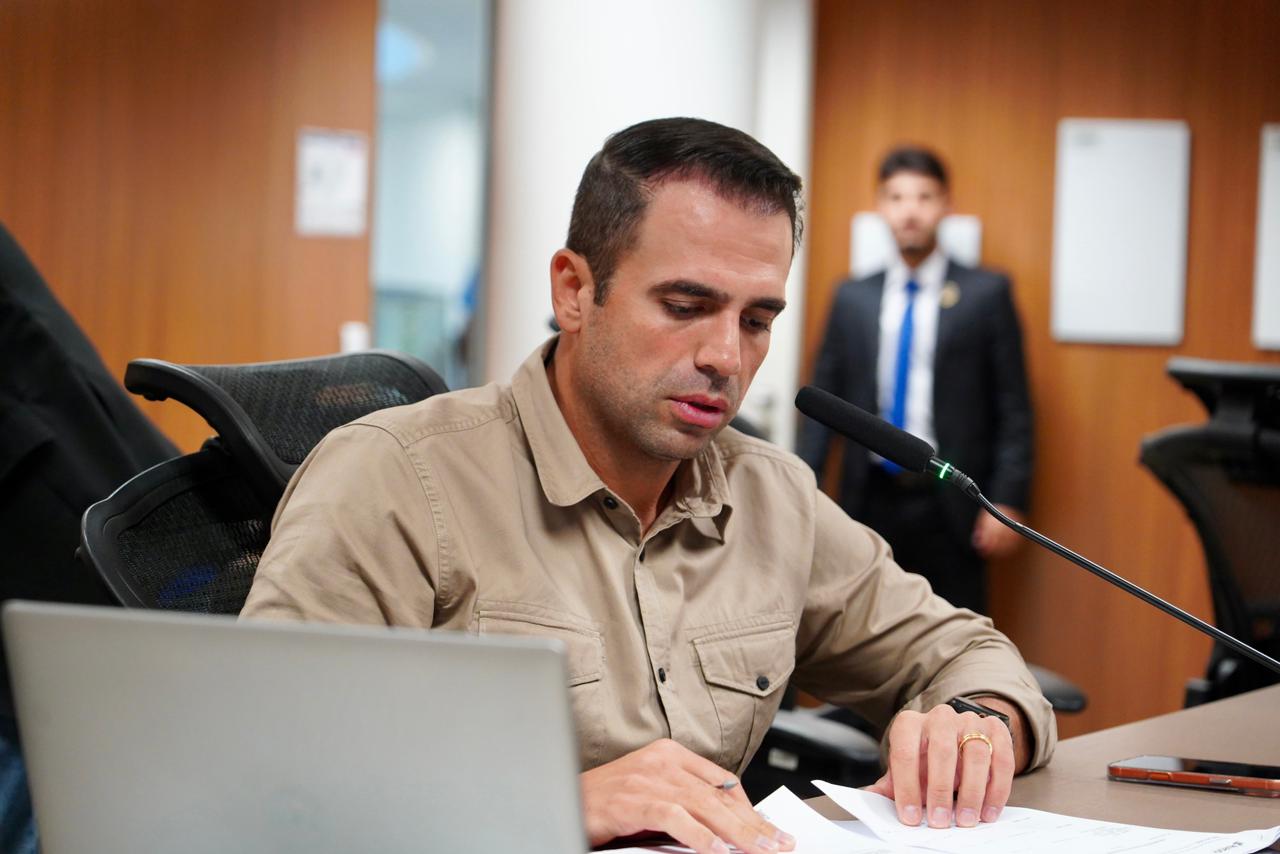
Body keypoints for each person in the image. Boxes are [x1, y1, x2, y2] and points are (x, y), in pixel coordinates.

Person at [242, 119, 1054, 854]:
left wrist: (978, 725)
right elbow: (270, 779)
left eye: (756, 321)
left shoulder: (771, 495)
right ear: (574, 291)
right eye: (686, 305)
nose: (726, 358)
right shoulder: (392, 478)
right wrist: (552, 804)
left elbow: (968, 653)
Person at [798, 147, 1032, 615]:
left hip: (952, 500)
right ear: (880, 206)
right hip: (868, 497)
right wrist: (804, 490)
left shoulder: (986, 294)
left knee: (953, 629)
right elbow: (824, 401)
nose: (910, 211)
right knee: (860, 627)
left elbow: (1014, 406)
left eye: (924, 197)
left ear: (946, 204)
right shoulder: (852, 296)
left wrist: (1006, 500)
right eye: (897, 197)